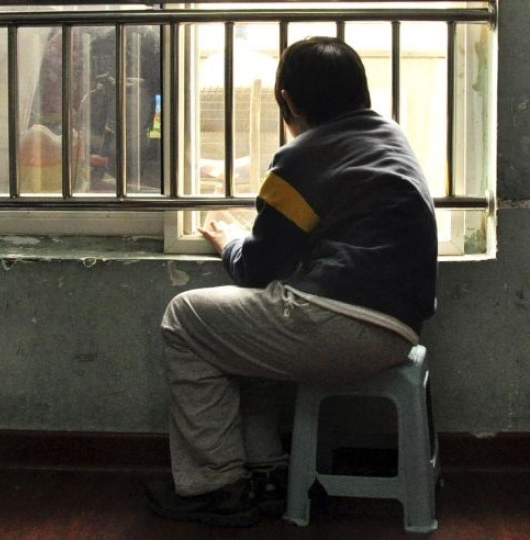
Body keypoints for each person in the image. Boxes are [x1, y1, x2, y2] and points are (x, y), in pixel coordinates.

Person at [145, 36, 438, 527]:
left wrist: (230, 239)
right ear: (361, 91)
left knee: (186, 317)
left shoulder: (302, 157)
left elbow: (256, 266)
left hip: (336, 325)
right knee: (252, 319)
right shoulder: (390, 137)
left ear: (287, 99)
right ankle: (268, 467)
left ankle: (215, 486)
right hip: (399, 331)